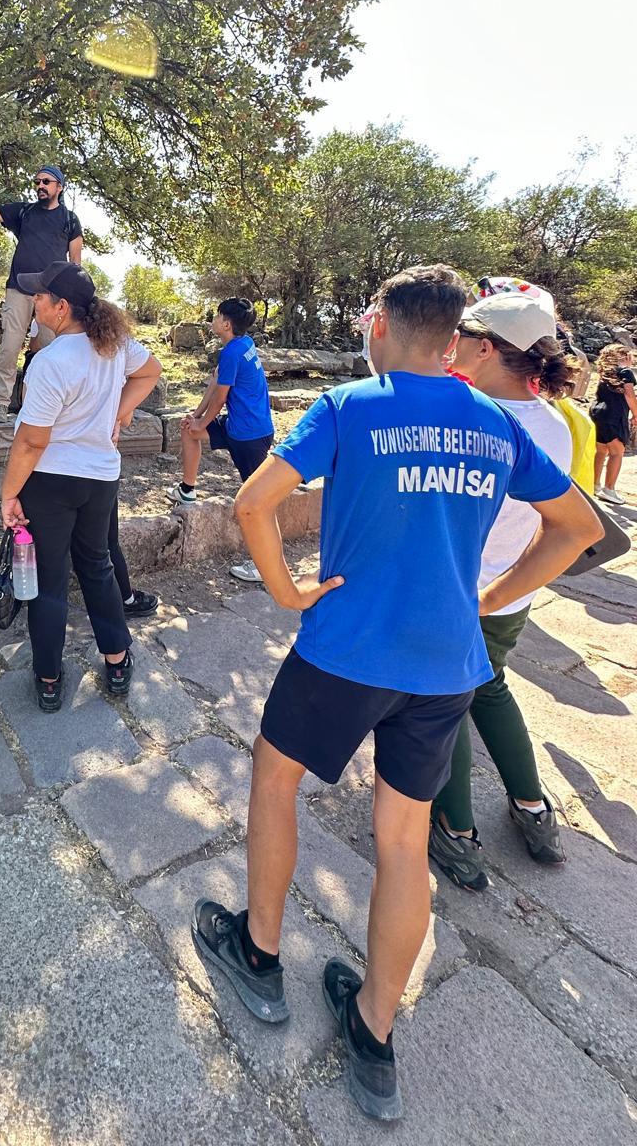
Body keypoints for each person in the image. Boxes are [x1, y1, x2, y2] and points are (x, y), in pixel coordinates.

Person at [190, 265, 598, 1122]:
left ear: (378, 324)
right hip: (446, 665)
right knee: (404, 840)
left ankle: (258, 956)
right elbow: (582, 528)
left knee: (275, 779)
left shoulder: (348, 406)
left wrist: (285, 591)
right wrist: (490, 595)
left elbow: (256, 501)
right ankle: (373, 1030)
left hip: (344, 651)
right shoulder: (497, 422)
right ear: (455, 342)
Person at [427, 287, 578, 890]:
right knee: (491, 689)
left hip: (457, 593)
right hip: (511, 594)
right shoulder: (556, 423)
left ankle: (456, 832)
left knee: (447, 706)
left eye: (460, 338)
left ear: (485, 348)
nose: (450, 346)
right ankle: (534, 811)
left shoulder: (472, 417)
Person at [0, 261, 162, 711]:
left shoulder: (50, 362)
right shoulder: (114, 345)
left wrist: (9, 493)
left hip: (51, 480)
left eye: (40, 295)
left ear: (60, 306)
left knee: (50, 579)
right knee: (97, 565)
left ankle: (49, 677)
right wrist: (120, 413)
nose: (34, 301)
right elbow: (152, 371)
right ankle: (116, 658)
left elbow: (32, 440)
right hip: (100, 478)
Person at [0, 167, 84, 422]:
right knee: (10, 347)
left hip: (53, 296)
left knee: (54, 350)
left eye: (46, 181)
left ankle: (49, 406)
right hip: (19, 289)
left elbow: (75, 263)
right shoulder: (24, 212)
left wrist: (73, 297)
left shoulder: (70, 220)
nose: (40, 185)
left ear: (59, 187)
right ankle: (0, 404)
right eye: (37, 181)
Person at [165, 297, 273, 584]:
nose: (212, 319)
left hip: (250, 434)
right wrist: (196, 417)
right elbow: (216, 382)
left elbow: (221, 397)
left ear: (225, 324)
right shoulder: (242, 344)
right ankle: (187, 489)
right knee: (190, 431)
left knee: (256, 501)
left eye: (216, 315)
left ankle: (265, 566)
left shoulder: (233, 353)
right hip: (240, 427)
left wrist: (204, 418)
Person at [589, 343, 637, 503]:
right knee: (617, 452)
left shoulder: (606, 373)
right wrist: (636, 414)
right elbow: (629, 394)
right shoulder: (625, 372)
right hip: (614, 415)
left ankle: (595, 485)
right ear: (624, 357)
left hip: (598, 412)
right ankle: (609, 489)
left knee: (601, 451)